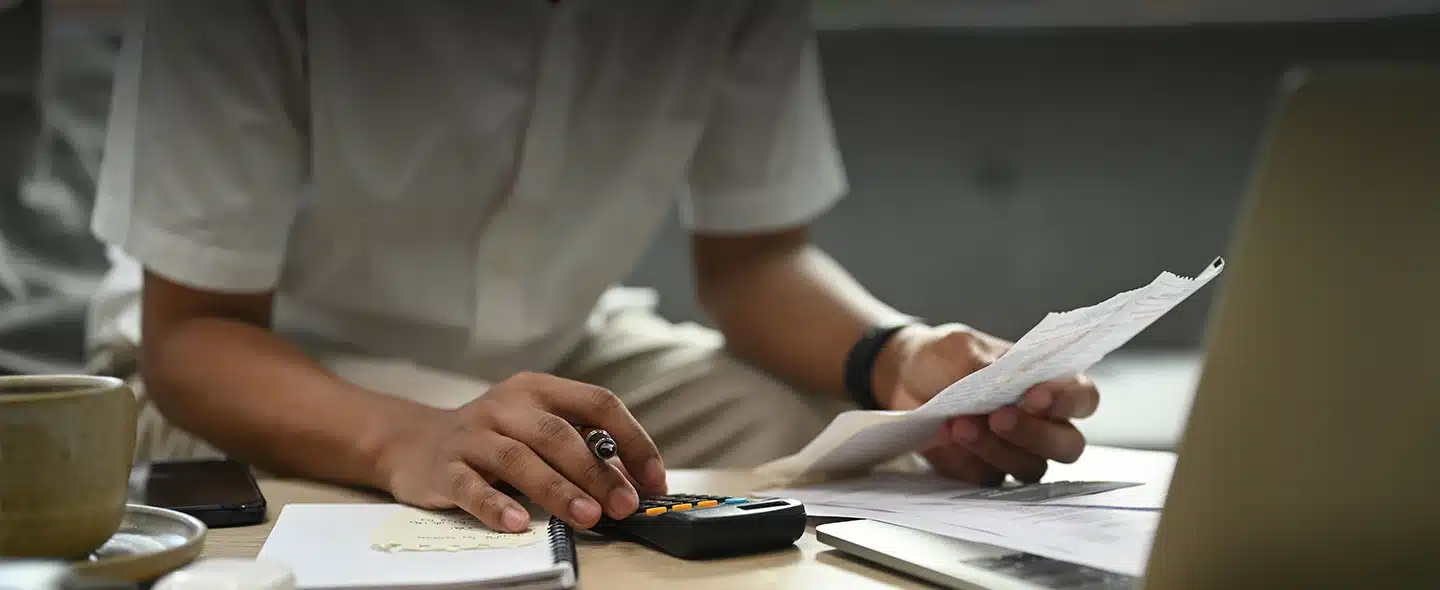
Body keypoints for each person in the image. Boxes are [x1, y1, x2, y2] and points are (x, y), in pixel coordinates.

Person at [88, 0, 1100, 534]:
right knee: (525, 504)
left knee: (830, 457)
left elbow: (754, 259)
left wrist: (900, 362)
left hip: (568, 344)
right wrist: (412, 438)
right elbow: (191, 330)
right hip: (266, 368)